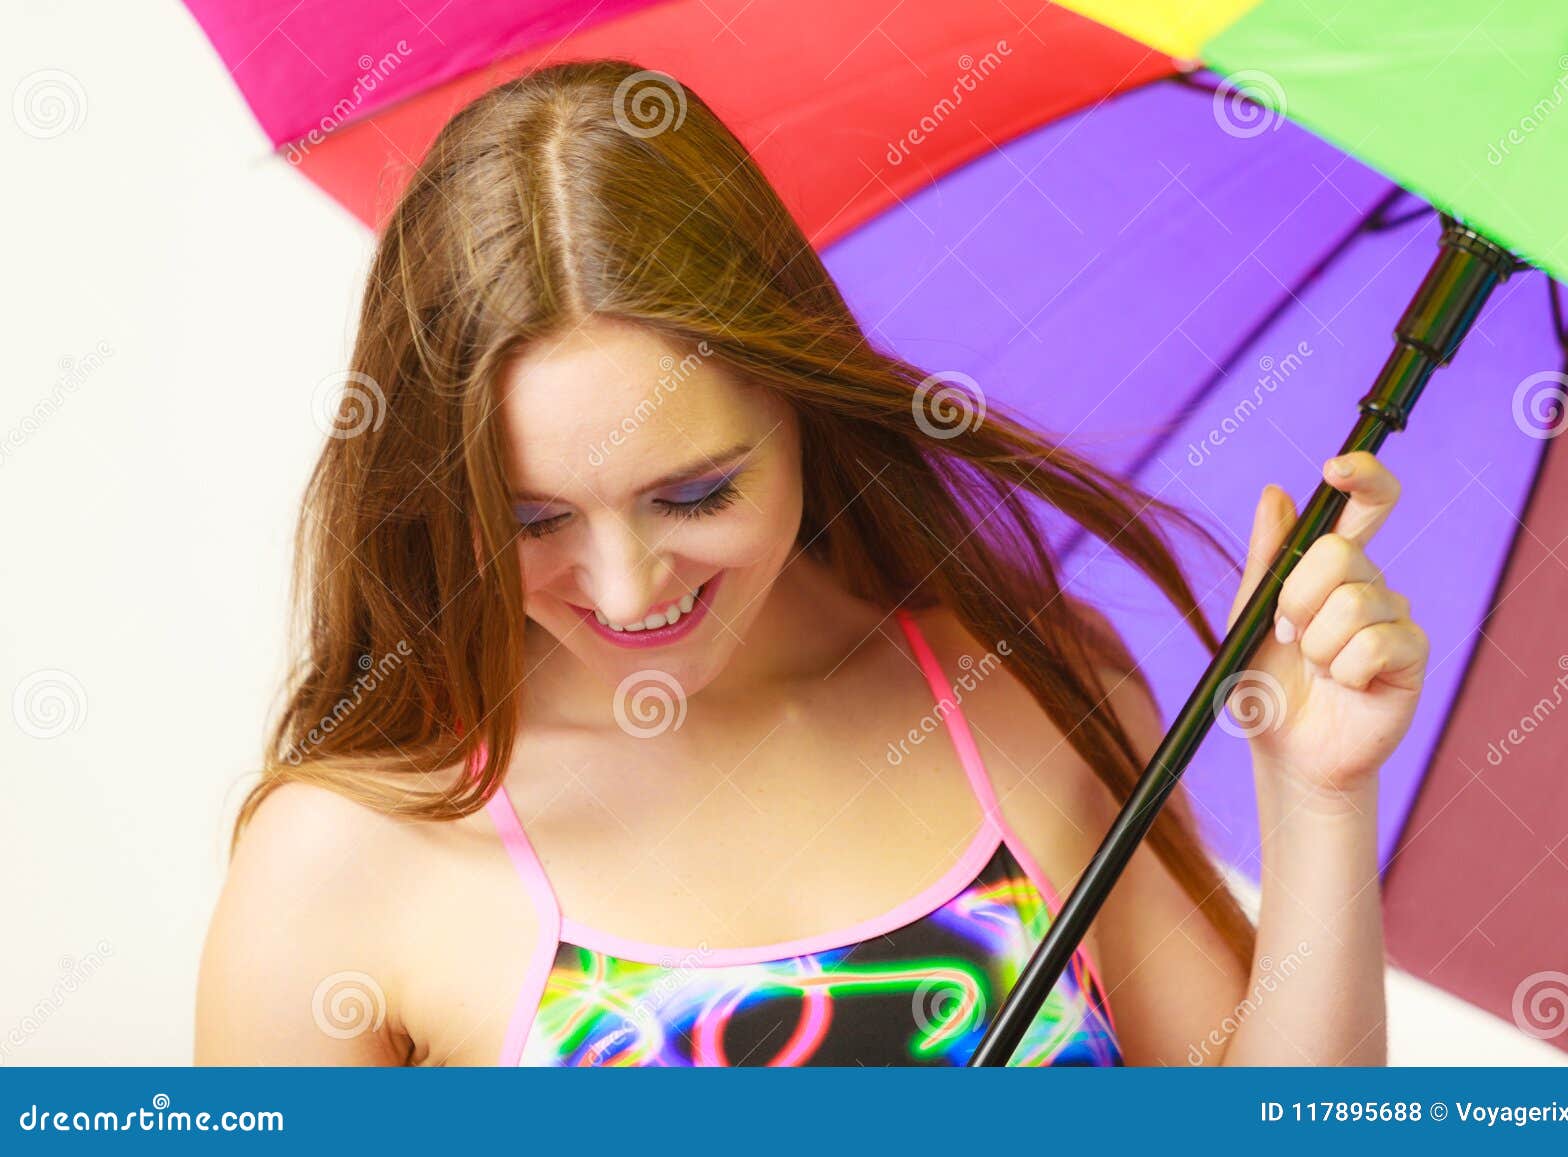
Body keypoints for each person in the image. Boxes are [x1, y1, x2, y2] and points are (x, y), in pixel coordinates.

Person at [194, 59, 1426, 1067]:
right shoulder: (342, 862)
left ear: (801, 409)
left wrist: (1316, 795)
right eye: (530, 520)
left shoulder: (1023, 685)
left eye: (692, 493)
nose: (626, 588)